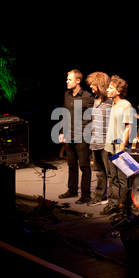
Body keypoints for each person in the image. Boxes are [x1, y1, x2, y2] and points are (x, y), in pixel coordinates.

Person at [58, 69, 94, 204]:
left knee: (84, 165)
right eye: (67, 79)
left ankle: (86, 194)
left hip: (83, 136)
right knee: (71, 164)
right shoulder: (66, 95)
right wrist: (62, 131)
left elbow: (94, 116)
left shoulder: (87, 97)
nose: (67, 81)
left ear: (78, 81)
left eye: (69, 79)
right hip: (69, 135)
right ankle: (72, 189)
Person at [101, 75, 133, 216]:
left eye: (111, 88)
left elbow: (128, 127)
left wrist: (121, 147)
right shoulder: (113, 104)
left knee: (122, 179)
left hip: (120, 147)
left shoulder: (126, 105)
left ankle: (123, 206)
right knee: (112, 178)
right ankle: (113, 204)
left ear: (118, 91)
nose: (108, 90)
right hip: (110, 146)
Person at [85, 71, 113, 207]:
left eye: (93, 84)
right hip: (95, 142)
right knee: (99, 171)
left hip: (106, 144)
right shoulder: (95, 100)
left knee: (110, 173)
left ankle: (114, 199)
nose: (91, 87)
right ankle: (100, 196)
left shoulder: (111, 102)